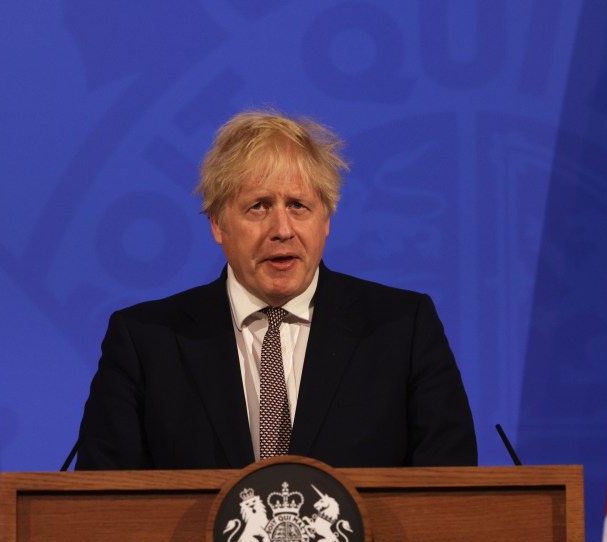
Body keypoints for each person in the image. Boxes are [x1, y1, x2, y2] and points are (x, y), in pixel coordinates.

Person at [75, 110, 476, 470]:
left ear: (326, 221)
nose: (282, 230)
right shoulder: (145, 342)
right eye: (259, 206)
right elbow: (101, 507)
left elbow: (452, 494)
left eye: (299, 206)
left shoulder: (403, 329)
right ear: (217, 224)